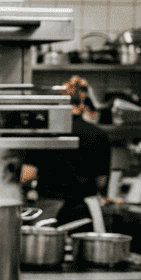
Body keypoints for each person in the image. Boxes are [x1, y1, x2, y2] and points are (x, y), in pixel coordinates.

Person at [21, 76, 110, 226]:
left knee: (45, 248)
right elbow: (101, 181)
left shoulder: (46, 132)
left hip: (49, 209)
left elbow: (27, 175)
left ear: (59, 104)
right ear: (82, 105)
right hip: (84, 212)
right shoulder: (99, 134)